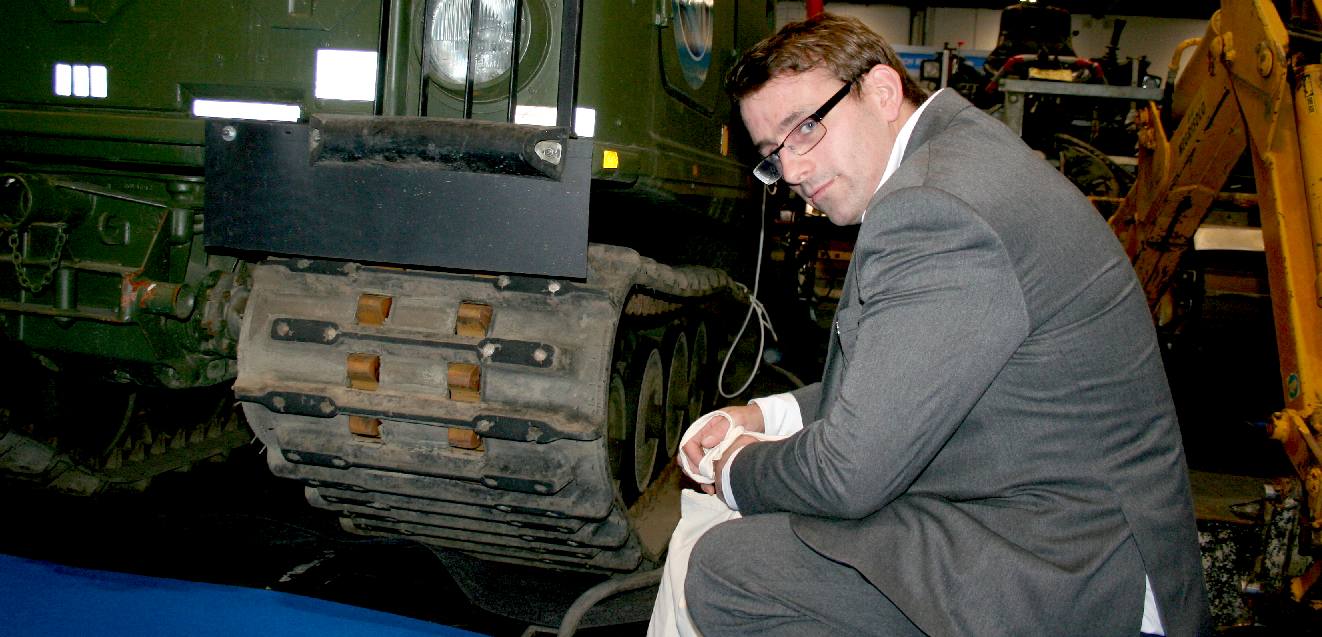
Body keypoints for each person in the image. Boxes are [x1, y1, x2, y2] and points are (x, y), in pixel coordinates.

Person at [676, 13, 1211, 637]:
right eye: (773, 156)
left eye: (805, 130)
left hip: (1069, 568)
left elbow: (850, 475)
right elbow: (910, 384)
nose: (792, 172)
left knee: (734, 569)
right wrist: (768, 418)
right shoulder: (954, 157)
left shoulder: (934, 206)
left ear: (879, 91)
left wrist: (734, 469)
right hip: (1040, 513)